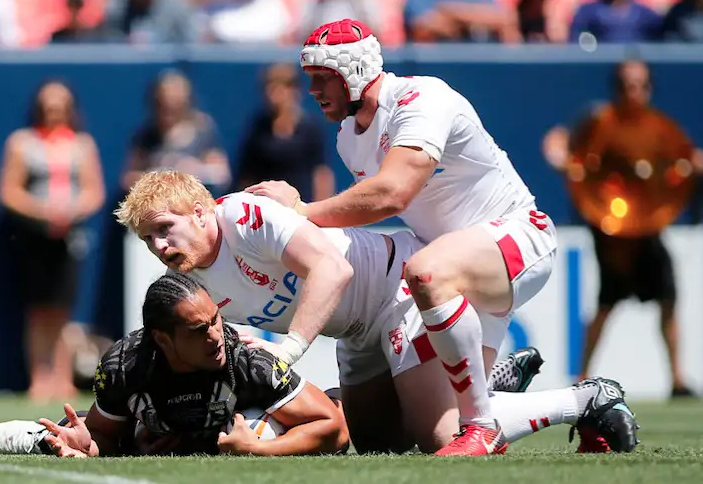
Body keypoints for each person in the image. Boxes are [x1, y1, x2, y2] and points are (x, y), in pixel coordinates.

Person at [243, 19, 636, 456]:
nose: (313, 90)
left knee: (425, 272)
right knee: (405, 439)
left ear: (353, 72)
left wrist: (298, 212)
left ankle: (483, 420)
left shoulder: (422, 97)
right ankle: (583, 400)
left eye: (322, 79)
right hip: (457, 267)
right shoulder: (347, 138)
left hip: (519, 237)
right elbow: (374, 203)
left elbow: (392, 194)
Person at [114, 170, 639, 455]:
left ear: (203, 211)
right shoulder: (184, 283)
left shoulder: (246, 216)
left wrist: (288, 350)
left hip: (396, 293)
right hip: (356, 331)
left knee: (443, 440)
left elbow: (332, 272)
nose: (159, 245)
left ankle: (587, 398)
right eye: (147, 238)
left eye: (166, 228)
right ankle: (486, 381)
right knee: (375, 445)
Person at [27, 273, 348, 457]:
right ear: (163, 340)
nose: (216, 336)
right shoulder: (124, 366)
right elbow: (101, 435)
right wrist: (88, 447)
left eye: (215, 320)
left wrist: (259, 448)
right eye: (198, 330)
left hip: (278, 417)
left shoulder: (247, 360)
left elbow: (334, 428)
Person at [542, 60, 699, 397]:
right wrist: (559, 155)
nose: (635, 92)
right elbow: (572, 155)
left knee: (668, 297)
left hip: (647, 227)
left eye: (641, 85)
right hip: (611, 230)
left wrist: (692, 165)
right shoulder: (601, 124)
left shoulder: (658, 130)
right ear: (617, 88)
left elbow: (677, 165)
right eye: (629, 85)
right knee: (606, 301)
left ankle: (677, 379)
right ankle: (582, 375)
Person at [0, 79, 106, 402]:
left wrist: (70, 212)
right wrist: (43, 212)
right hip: (34, 236)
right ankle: (39, 378)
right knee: (38, 310)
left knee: (62, 309)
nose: (54, 112)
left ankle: (62, 377)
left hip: (69, 238)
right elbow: (9, 191)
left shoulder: (82, 144)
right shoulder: (22, 142)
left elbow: (93, 191)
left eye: (60, 106)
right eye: (48, 106)